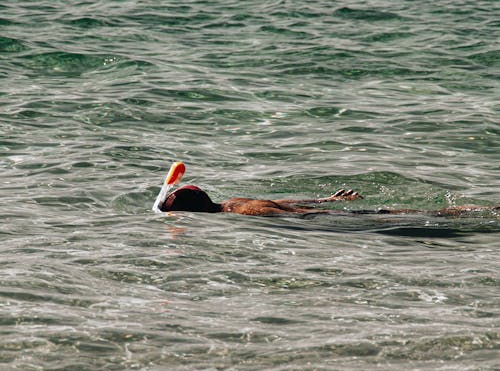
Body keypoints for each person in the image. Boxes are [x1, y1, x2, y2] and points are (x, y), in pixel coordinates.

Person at [153, 162, 497, 217]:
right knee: (414, 212)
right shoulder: (232, 202)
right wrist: (324, 197)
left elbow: (286, 212)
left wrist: (327, 209)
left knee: (428, 214)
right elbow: (286, 201)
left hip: (329, 218)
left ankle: (472, 210)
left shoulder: (241, 212)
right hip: (326, 209)